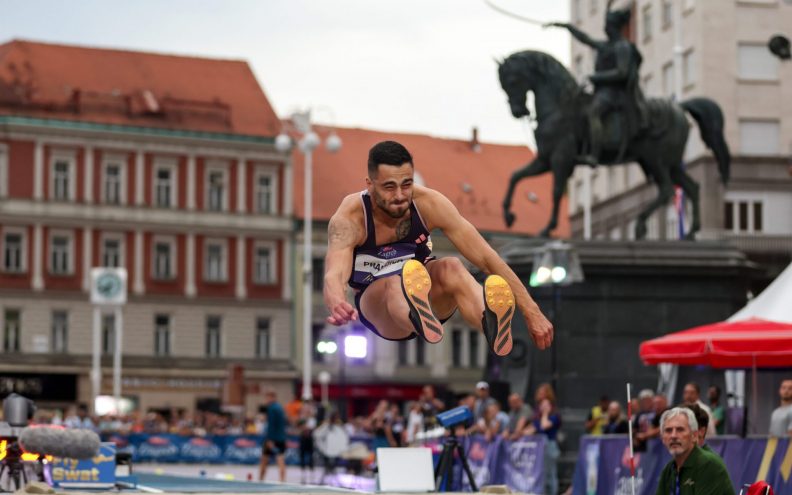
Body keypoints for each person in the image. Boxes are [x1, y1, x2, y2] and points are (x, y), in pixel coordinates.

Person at [322, 141, 553, 357]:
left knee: (452, 266)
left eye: (407, 184)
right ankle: (415, 315)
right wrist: (337, 302)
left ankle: (489, 319)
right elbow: (335, 273)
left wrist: (532, 311)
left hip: (426, 293)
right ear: (370, 184)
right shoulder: (351, 217)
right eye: (389, 188)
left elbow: (487, 257)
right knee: (394, 282)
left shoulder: (429, 204)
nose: (400, 196)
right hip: (380, 308)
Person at [545, 2, 647, 165]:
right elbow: (586, 39)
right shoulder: (606, 45)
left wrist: (597, 78)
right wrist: (567, 27)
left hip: (615, 93)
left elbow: (622, 73)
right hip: (602, 92)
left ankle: (594, 153)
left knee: (593, 112)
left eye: (608, 25)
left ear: (615, 27)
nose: (606, 28)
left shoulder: (622, 47)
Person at [655, 407, 735, 495]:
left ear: (694, 435)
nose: (673, 436)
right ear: (662, 438)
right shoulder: (668, 470)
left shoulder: (709, 464)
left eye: (680, 429)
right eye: (668, 430)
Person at [524, 398, 561, 495]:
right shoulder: (538, 420)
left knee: (550, 474)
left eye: (546, 405)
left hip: (550, 448)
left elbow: (544, 426)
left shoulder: (554, 417)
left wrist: (545, 414)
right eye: (542, 405)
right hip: (540, 450)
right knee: (543, 474)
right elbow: (527, 432)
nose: (544, 407)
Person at [259, 390, 287, 482]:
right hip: (281, 438)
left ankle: (260, 481)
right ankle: (282, 481)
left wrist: (269, 439)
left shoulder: (271, 408)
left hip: (272, 438)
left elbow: (271, 425)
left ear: (272, 397)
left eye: (267, 397)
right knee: (281, 459)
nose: (266, 400)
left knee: (264, 460)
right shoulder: (280, 408)